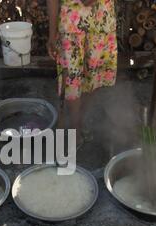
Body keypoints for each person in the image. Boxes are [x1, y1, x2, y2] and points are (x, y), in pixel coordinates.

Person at [47, 0, 118, 146]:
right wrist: (52, 33)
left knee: (93, 78)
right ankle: (75, 128)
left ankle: (78, 120)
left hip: (101, 23)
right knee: (72, 80)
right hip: (71, 25)